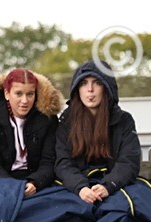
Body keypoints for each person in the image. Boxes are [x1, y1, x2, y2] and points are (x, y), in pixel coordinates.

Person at [54, 62, 141, 203]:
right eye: (83, 83)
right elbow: (63, 162)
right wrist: (80, 188)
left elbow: (129, 161)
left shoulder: (124, 120)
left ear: (107, 88)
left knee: (131, 209)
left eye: (97, 83)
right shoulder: (67, 121)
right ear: (77, 89)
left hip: (114, 186)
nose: (90, 90)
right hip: (77, 188)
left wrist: (108, 185)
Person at [0, 68, 61, 196]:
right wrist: (12, 186)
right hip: (2, 182)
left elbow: (49, 161)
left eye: (30, 94)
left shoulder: (47, 118)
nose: (25, 101)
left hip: (36, 181)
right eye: (18, 94)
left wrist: (35, 182)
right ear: (7, 93)